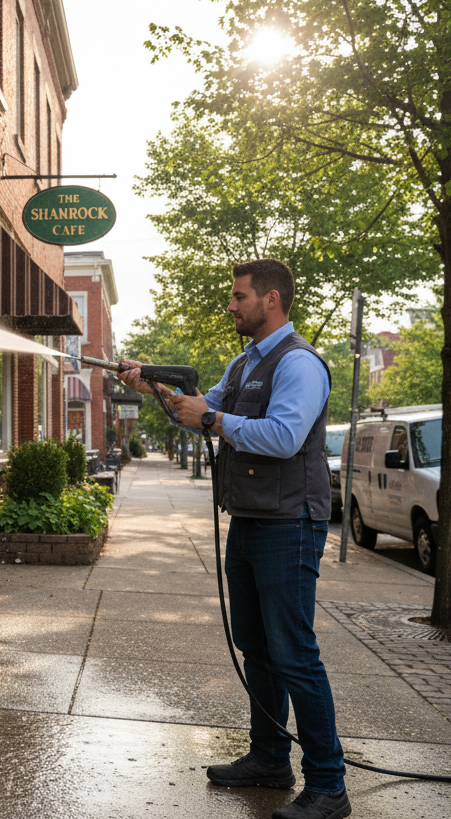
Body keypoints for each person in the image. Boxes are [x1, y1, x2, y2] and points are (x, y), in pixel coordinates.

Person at [119, 259, 349, 819]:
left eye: (239, 297)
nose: (231, 305)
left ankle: (329, 785)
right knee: (257, 646)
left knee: (294, 654)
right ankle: (270, 759)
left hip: (290, 523)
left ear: (271, 300)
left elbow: (286, 436)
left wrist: (214, 421)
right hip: (250, 519)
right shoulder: (245, 363)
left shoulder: (299, 364)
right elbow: (194, 415)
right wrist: (152, 385)